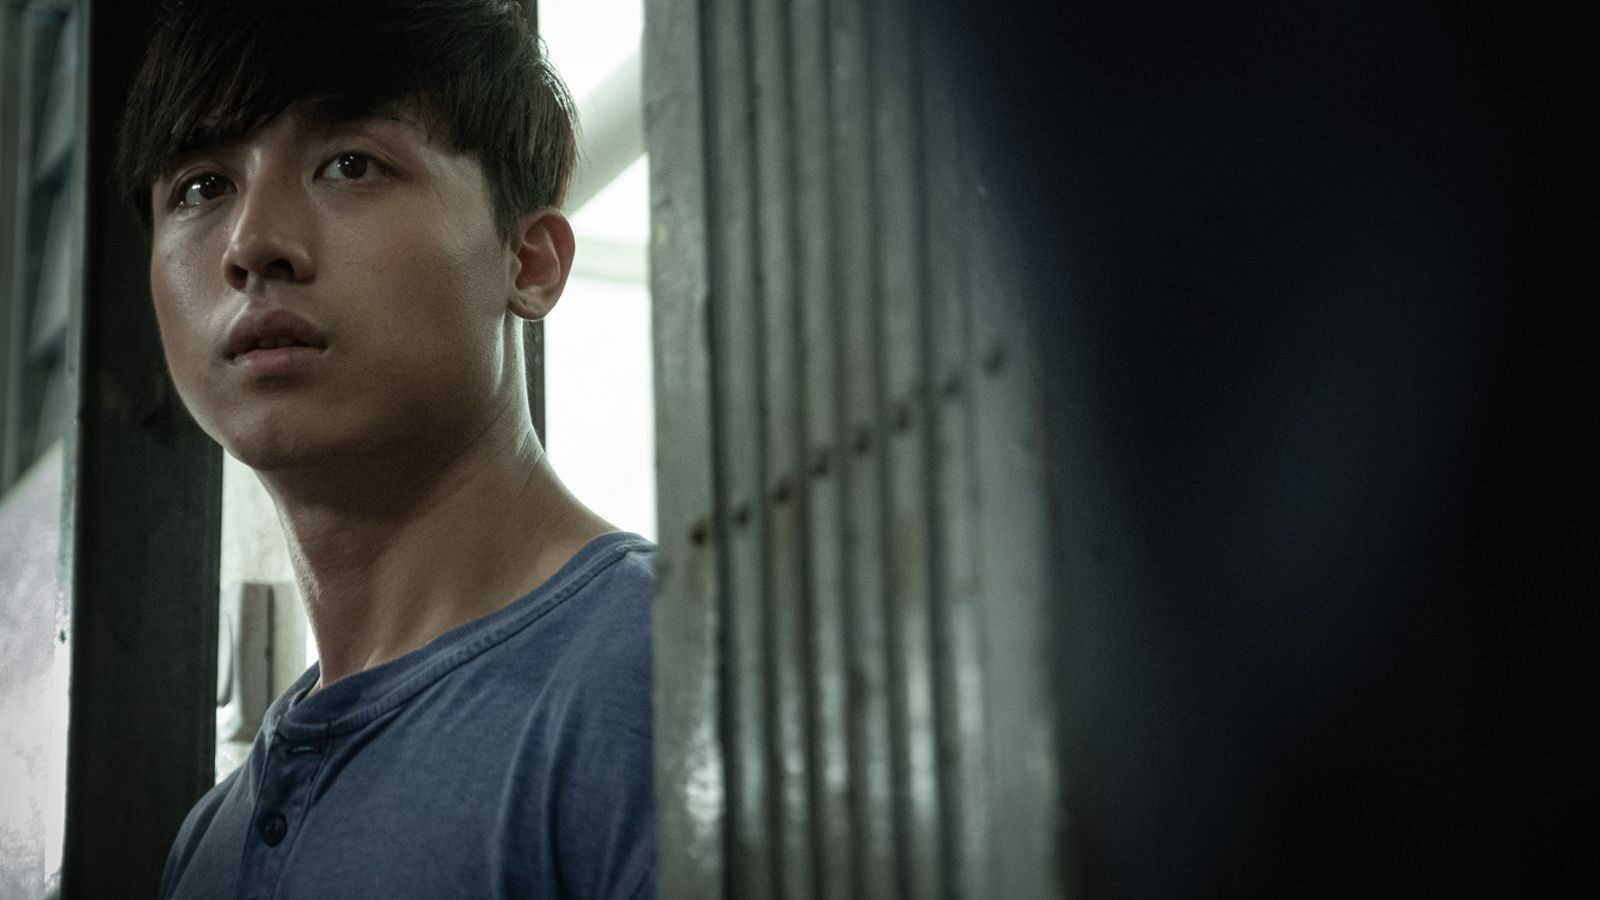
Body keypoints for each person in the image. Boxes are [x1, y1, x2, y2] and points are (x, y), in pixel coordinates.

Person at [114, 1, 655, 897]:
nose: (253, 246)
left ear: (528, 261)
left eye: (350, 164)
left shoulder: (663, 677)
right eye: (202, 188)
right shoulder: (206, 845)